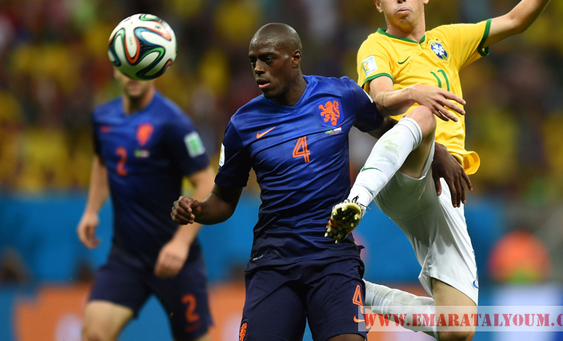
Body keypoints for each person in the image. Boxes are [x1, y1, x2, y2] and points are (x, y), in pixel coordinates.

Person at [325, 0, 563, 341]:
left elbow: (515, 20)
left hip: (448, 190)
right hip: (405, 169)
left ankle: (352, 289)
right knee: (424, 113)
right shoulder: (375, 46)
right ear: (378, 3)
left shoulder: (447, 40)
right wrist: (417, 96)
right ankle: (355, 202)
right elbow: (380, 98)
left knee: (458, 328)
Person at [170, 23, 468, 341]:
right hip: (273, 262)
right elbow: (223, 200)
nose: (258, 69)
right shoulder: (242, 124)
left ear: (295, 58)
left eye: (267, 59)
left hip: (334, 257)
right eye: (253, 61)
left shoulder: (341, 95)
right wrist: (197, 209)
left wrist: (436, 151)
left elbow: (390, 129)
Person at [77, 67, 215, 341]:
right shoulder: (103, 118)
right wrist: (91, 210)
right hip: (127, 258)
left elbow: (207, 182)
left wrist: (181, 243)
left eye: (142, 68)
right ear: (116, 70)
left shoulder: (173, 122)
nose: (134, 76)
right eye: (127, 68)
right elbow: (102, 160)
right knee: (94, 334)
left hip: (175, 260)